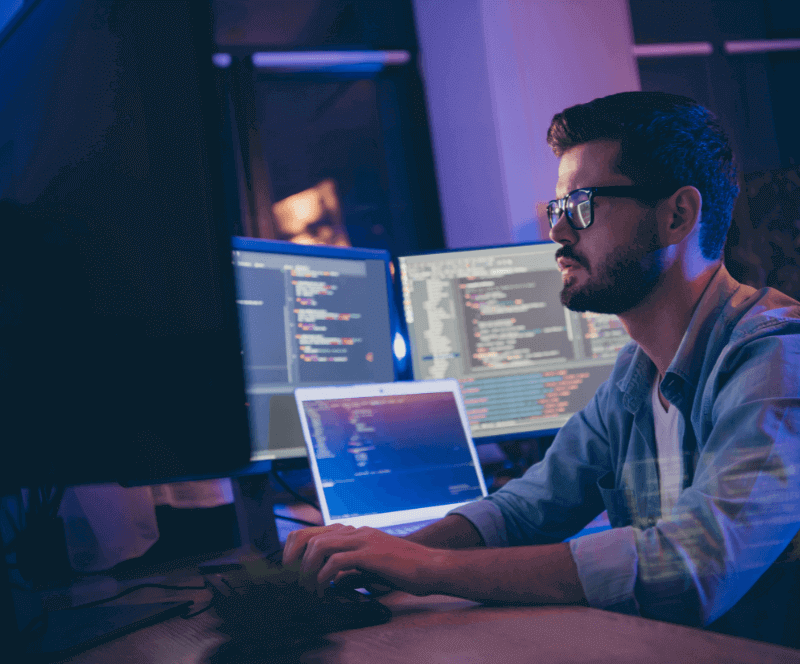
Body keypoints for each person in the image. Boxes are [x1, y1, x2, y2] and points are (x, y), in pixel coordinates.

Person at [283, 92, 800, 646]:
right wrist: (380, 558)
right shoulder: (636, 375)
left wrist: (426, 568)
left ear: (677, 215)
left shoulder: (778, 359)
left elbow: (691, 566)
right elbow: (525, 511)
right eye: (558, 209)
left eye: (582, 205)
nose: (557, 233)